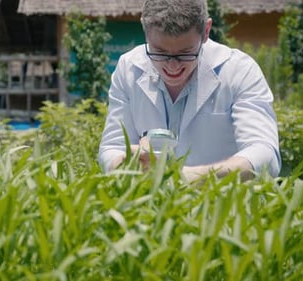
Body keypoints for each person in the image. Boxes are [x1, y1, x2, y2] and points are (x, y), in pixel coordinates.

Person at [98, 0, 281, 181]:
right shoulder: (128, 68)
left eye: (185, 53)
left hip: (221, 205)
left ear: (206, 31)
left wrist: (191, 177)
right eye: (159, 52)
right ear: (145, 30)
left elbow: (265, 155)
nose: (172, 66)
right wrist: (125, 162)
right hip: (149, 206)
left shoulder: (239, 70)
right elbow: (111, 147)